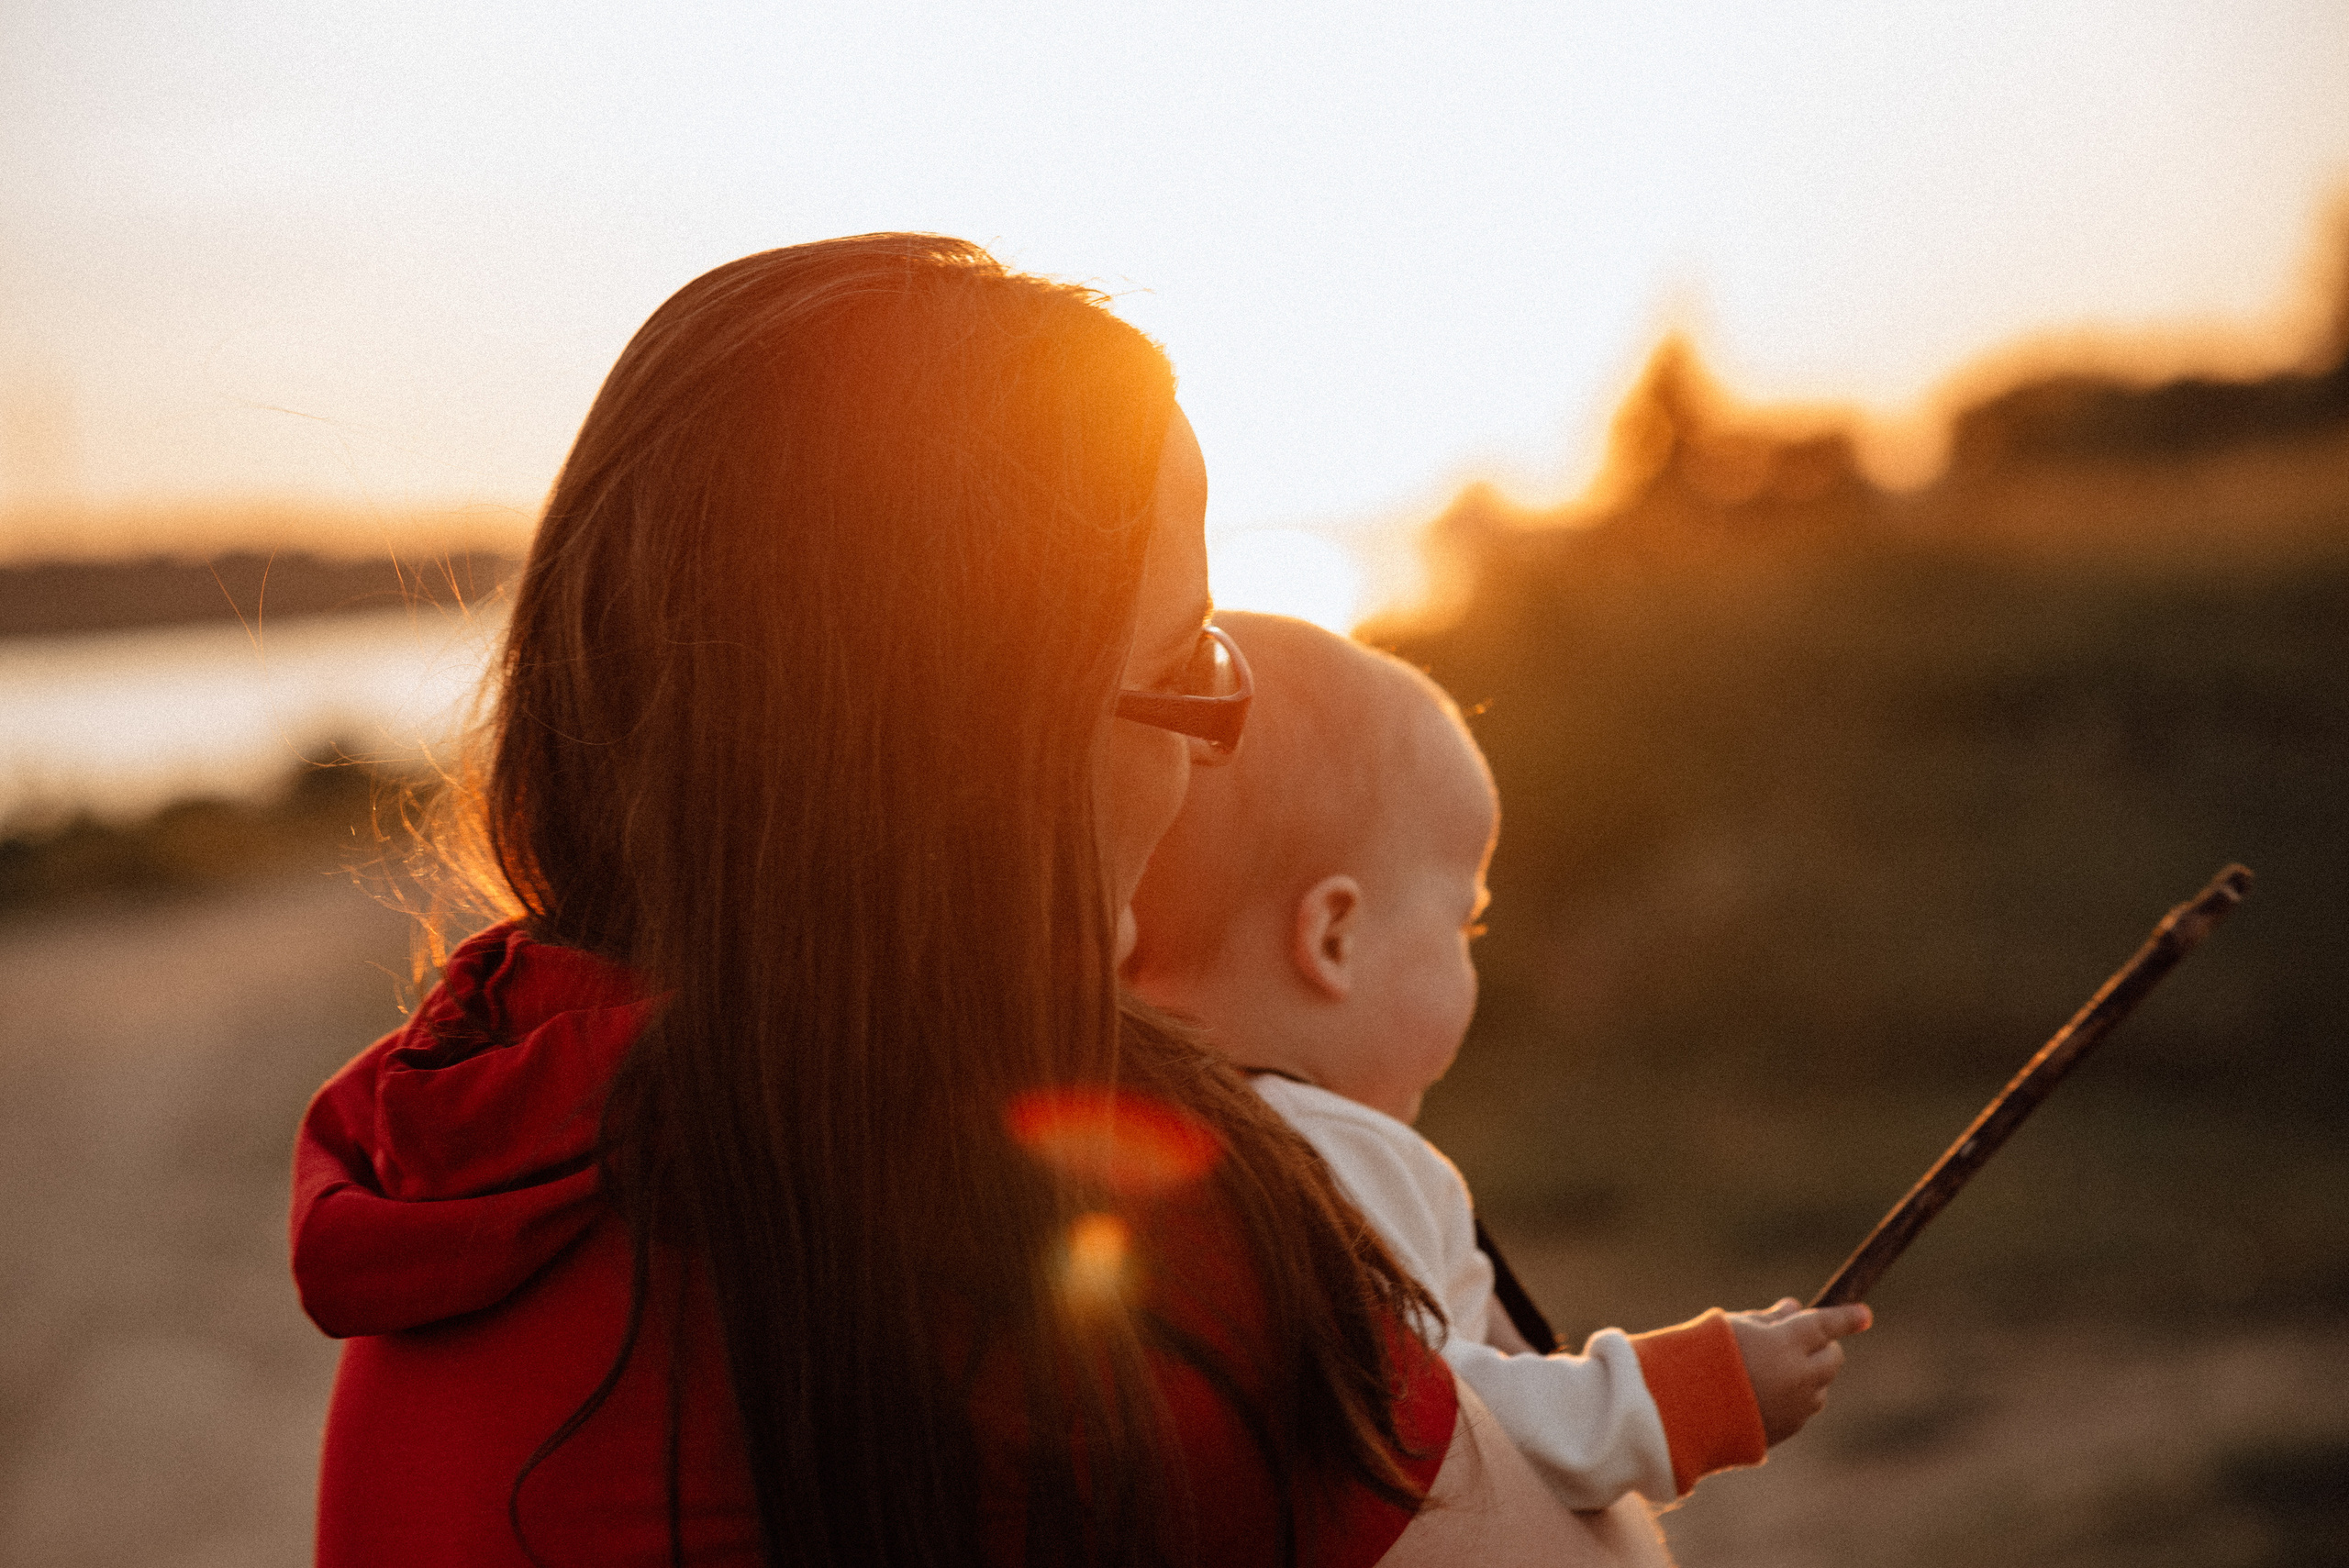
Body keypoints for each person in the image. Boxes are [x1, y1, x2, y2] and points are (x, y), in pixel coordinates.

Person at [289, 235, 1663, 1567]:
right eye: (1182, 661)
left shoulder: (457, 1156)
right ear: (987, 749)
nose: (1202, 752)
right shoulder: (1107, 1226)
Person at [1123, 613, 1873, 1517]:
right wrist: (1689, 1392)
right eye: (1464, 922)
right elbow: (1431, 1431)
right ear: (1333, 936)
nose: (1471, 954)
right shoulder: (1319, 1157)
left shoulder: (1141, 1154)